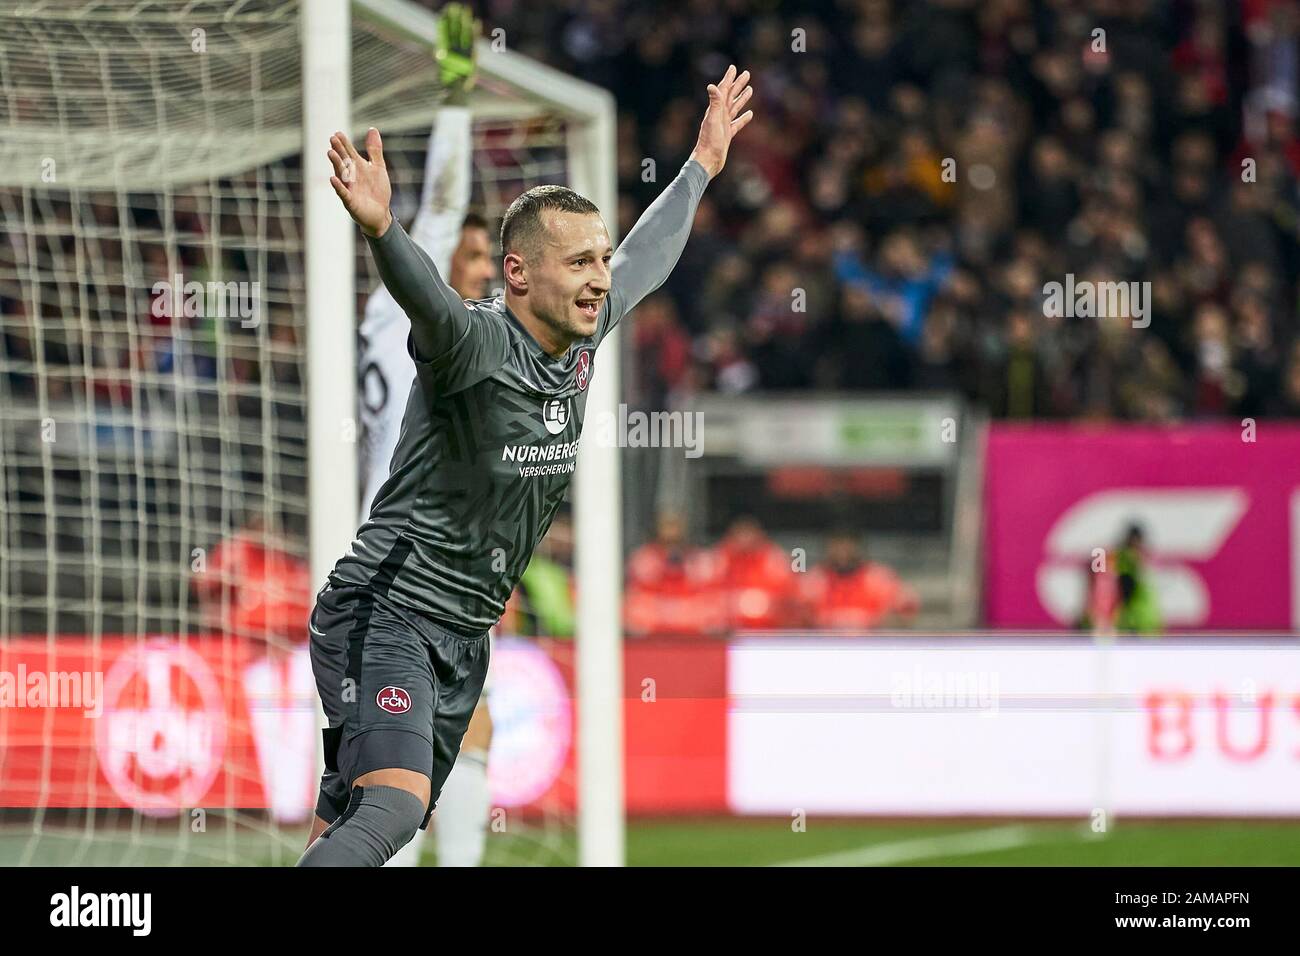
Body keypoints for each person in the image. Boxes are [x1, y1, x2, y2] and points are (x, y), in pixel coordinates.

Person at [297, 61, 755, 865]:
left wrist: (701, 167)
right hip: (389, 609)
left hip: (465, 633)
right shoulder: (474, 345)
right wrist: (382, 232)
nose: (600, 280)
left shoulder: (581, 338)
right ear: (519, 273)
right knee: (395, 812)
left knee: (353, 826)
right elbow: (430, 307)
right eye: (579, 262)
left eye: (599, 260)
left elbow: (649, 255)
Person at [358, 3, 497, 868]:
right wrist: (457, 102)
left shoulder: (445, 332)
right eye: (473, 260)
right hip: (404, 554)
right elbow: (438, 216)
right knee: (400, 760)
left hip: (437, 551)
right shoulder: (401, 311)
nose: (480, 271)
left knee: (460, 729)